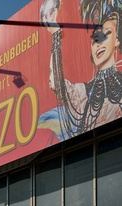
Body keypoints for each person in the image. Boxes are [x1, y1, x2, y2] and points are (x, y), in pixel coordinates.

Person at [42, 0, 122, 139]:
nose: (99, 44)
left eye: (107, 34)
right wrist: (56, 34)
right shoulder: (84, 92)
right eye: (95, 40)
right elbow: (56, 84)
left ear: (117, 40)